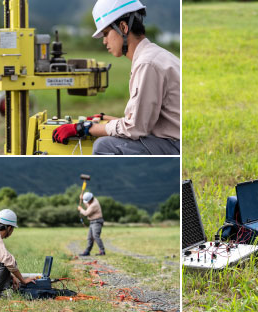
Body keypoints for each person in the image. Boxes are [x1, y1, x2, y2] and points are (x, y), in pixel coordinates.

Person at [52, 0, 180, 155]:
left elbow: (136, 129)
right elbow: (143, 121)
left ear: (123, 27)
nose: (104, 41)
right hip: (171, 140)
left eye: (106, 33)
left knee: (104, 146)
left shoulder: (146, 64)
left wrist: (84, 128)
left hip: (174, 145)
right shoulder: (155, 55)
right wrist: (107, 119)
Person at [78, 192, 106, 256]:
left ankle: (102, 251)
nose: (86, 202)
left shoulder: (94, 205)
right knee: (90, 237)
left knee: (95, 236)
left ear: (90, 199)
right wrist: (82, 199)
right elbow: (87, 204)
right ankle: (87, 251)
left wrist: (80, 209)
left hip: (97, 222)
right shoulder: (94, 200)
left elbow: (86, 213)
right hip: (92, 222)